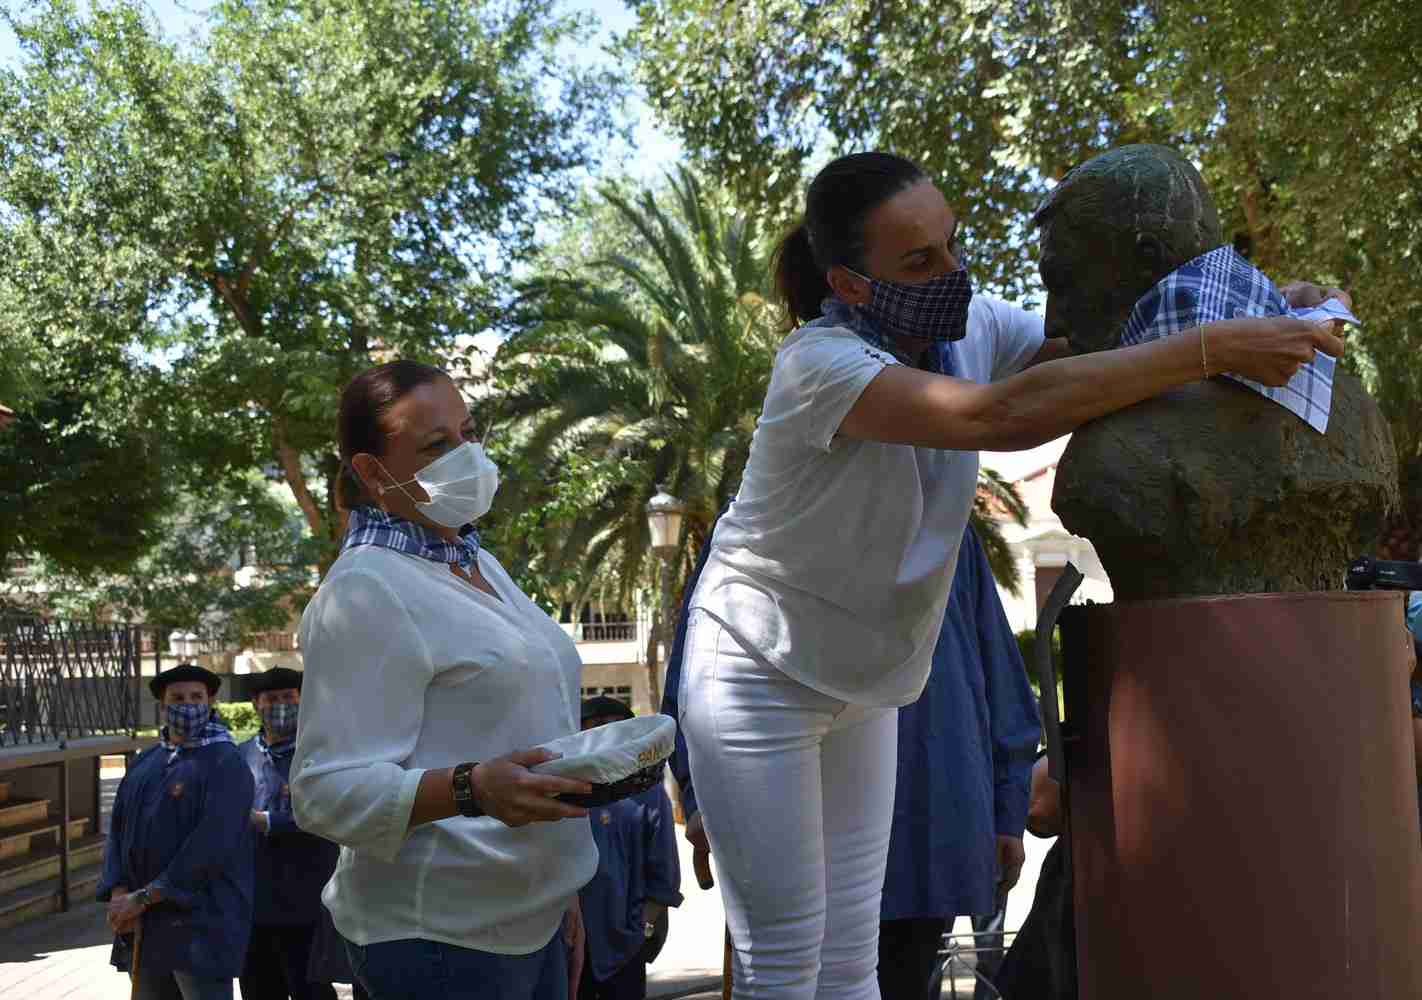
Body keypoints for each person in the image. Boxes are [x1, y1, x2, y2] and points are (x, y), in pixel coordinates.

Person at [674, 150, 1341, 999]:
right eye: (919, 261)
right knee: (782, 967)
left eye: (953, 244)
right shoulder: (821, 366)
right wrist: (1214, 346)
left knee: (850, 962)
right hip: (755, 674)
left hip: (866, 681)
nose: (952, 272)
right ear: (848, 284)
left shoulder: (970, 329)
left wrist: (1268, 305)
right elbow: (1007, 414)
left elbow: (1094, 348)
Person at [290, 360, 599, 1000]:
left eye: (469, 431)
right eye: (436, 445)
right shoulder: (367, 590)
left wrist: (557, 890)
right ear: (373, 472)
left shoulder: (475, 561)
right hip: (440, 938)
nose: (468, 455)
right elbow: (324, 793)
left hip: (528, 921)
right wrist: (470, 789)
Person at [664, 523, 1039, 1000]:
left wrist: (1008, 807)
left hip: (922, 821)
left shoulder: (944, 522)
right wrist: (701, 798)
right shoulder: (762, 510)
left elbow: (992, 660)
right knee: (786, 971)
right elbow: (705, 656)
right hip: (797, 811)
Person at [97, 663, 256, 1000]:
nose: (187, 704)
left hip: (201, 925)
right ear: (163, 705)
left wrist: (144, 896)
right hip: (144, 924)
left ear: (210, 701)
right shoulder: (147, 761)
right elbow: (118, 828)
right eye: (177, 697)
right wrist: (118, 890)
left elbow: (213, 845)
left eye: (196, 697)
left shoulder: (226, 763)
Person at [238, 666, 340, 1000]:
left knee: (311, 988)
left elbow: (328, 810)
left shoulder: (322, 753)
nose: (281, 705)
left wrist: (267, 821)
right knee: (259, 988)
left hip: (308, 899)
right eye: (272, 698)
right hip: (253, 903)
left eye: (289, 697)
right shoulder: (240, 756)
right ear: (256, 703)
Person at [576, 697, 684, 1000]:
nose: (604, 733)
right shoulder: (566, 789)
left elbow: (664, 876)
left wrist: (641, 930)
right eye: (595, 726)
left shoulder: (648, 793)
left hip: (625, 946)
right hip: (569, 943)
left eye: (614, 726)